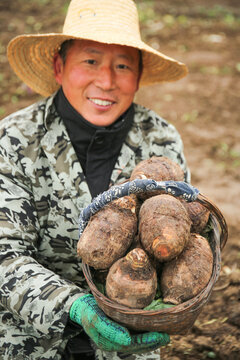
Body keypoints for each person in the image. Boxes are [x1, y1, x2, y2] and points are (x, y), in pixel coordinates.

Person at [0, 0, 190, 359]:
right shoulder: (13, 140)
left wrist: (168, 305)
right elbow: (3, 257)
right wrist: (76, 307)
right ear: (59, 66)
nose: (106, 81)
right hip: (30, 344)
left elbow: (183, 242)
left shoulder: (161, 141)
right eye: (90, 61)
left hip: (129, 346)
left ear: (139, 75)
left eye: (122, 65)